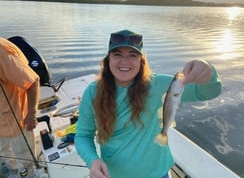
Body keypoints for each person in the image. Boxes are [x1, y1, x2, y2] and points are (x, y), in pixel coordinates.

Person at [75, 29, 222, 178]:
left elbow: (206, 92)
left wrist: (207, 70)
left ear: (141, 60)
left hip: (158, 174)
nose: (125, 62)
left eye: (132, 55)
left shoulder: (158, 84)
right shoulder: (93, 92)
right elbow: (83, 135)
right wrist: (92, 161)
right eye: (117, 54)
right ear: (108, 60)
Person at [0, 37, 40, 177]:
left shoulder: (2, 51)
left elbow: (32, 81)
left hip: (16, 125)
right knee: (7, 166)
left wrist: (31, 114)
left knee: (25, 167)